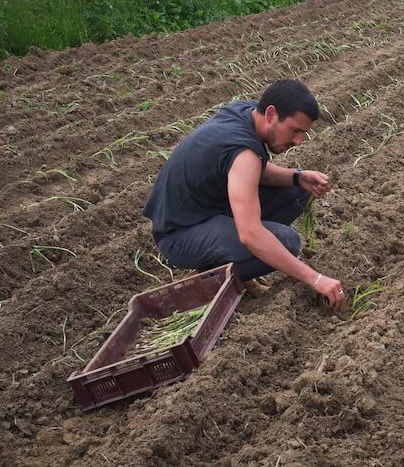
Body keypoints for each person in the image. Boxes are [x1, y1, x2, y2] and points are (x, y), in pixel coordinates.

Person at [142, 79, 346, 310]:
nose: (298, 141)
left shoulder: (246, 113)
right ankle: (206, 281)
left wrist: (298, 177)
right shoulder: (243, 152)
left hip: (209, 212)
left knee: (297, 190)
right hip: (180, 234)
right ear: (271, 114)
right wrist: (315, 279)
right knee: (286, 242)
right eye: (295, 131)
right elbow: (250, 233)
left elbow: (251, 173)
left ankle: (239, 265)